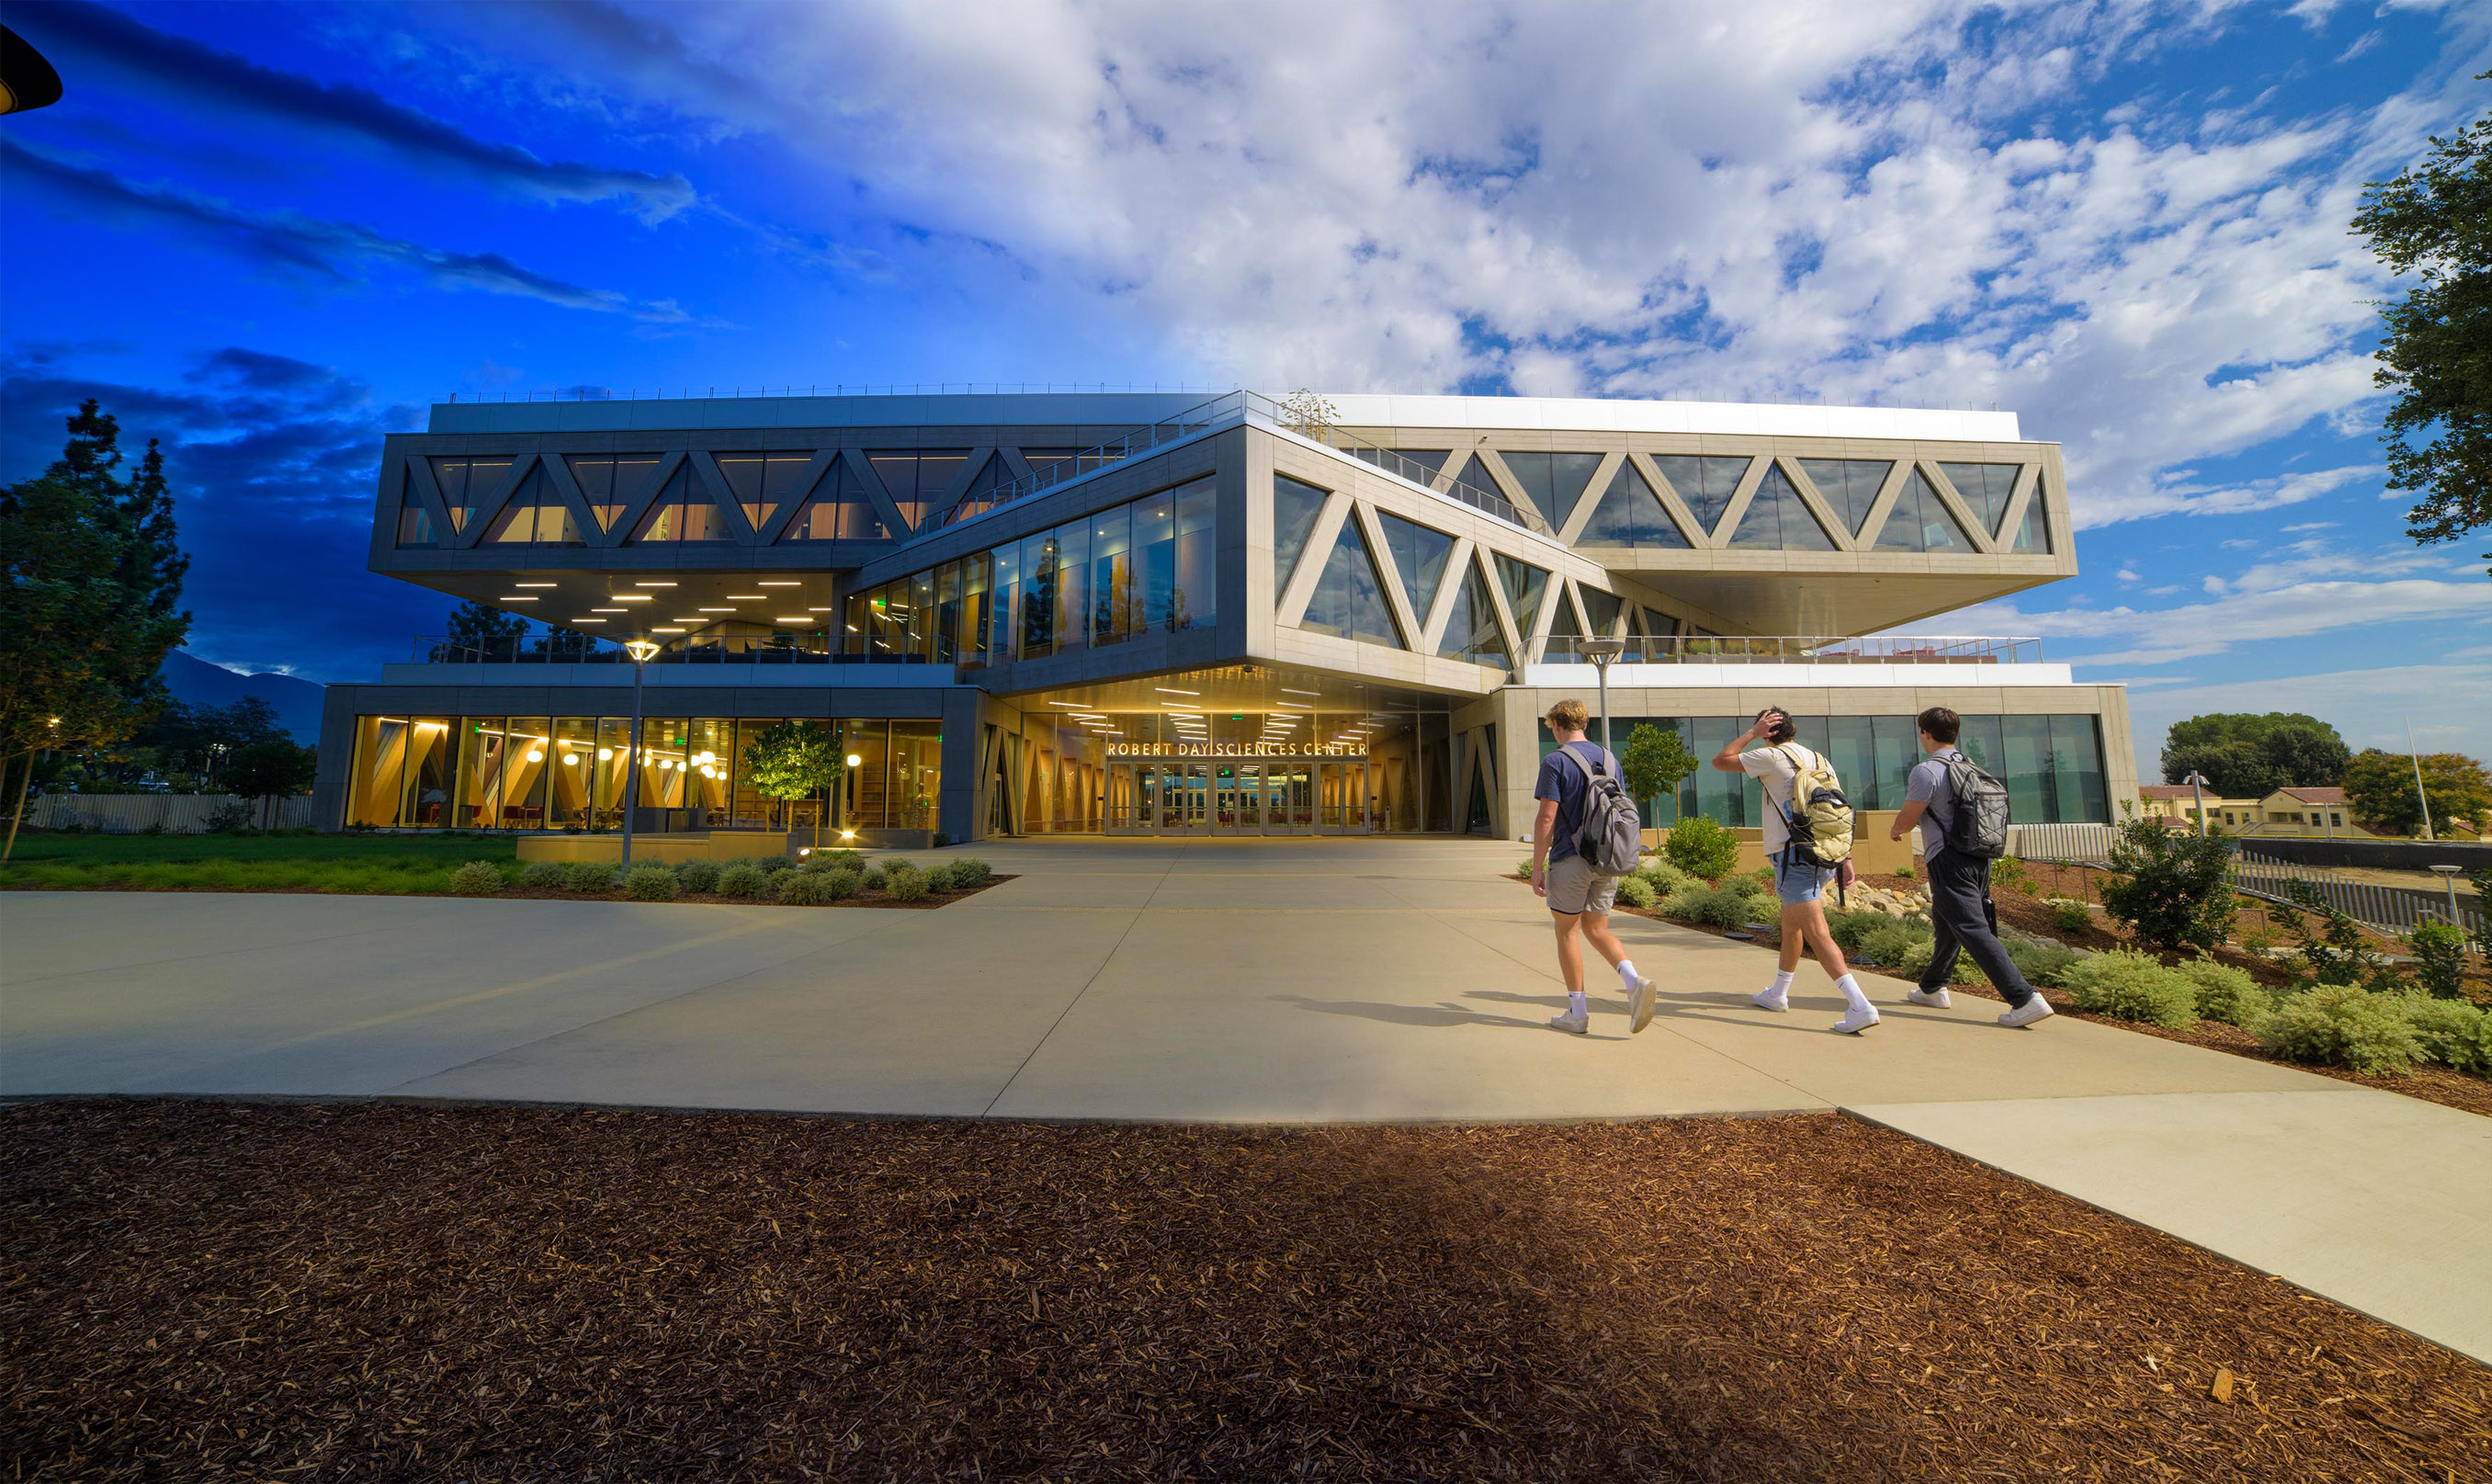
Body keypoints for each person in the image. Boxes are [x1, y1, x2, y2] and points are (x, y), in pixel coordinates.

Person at [1711, 707, 1880, 1035]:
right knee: (1792, 927)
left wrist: (1751, 733)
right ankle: (1778, 993)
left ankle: (1860, 1005)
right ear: (1794, 729)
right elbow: (1836, 809)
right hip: (1821, 855)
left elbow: (1721, 761)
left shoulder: (1771, 757)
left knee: (1817, 932)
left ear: (1767, 732)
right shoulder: (1819, 760)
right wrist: (1845, 857)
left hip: (1793, 857)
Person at [1889, 707, 2055, 1028]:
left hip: (1948, 858)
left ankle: (2024, 998)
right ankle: (1933, 988)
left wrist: (1896, 829)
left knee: (1972, 928)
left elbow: (1910, 815)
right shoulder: (1970, 766)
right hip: (1979, 855)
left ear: (1925, 733)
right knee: (1948, 921)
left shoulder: (1927, 771)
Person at [1531, 699, 1659, 1036]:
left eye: (1552, 727)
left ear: (1558, 724)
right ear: (1583, 723)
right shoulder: (1609, 758)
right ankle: (1633, 981)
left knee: (1567, 932)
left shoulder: (1555, 760)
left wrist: (1537, 866)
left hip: (1569, 858)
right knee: (1597, 929)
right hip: (1606, 857)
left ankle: (1578, 1012)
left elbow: (1547, 816)